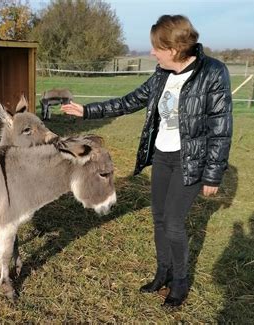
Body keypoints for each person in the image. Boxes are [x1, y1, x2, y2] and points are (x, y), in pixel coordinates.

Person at [61, 14, 233, 307]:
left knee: (175, 224)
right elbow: (129, 101)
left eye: (157, 47)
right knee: (159, 219)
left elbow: (221, 125)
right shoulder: (161, 74)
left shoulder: (213, 72)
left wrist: (213, 175)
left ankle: (180, 282)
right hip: (162, 156)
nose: (152, 52)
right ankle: (162, 273)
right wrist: (86, 111)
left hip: (190, 160)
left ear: (174, 49)